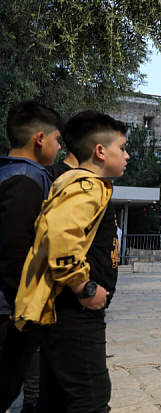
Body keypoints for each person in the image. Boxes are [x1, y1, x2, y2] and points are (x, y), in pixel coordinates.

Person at [15, 111, 129, 412]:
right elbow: (60, 236)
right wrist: (85, 288)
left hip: (64, 312)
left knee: (55, 400)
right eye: (122, 148)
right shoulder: (87, 185)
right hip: (75, 313)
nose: (127, 156)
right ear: (100, 151)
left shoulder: (76, 183)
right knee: (90, 397)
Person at [0, 102, 62, 413]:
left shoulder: (9, 172)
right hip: (9, 309)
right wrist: (22, 301)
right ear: (40, 139)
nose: (59, 146)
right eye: (56, 140)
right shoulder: (25, 180)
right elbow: (15, 248)